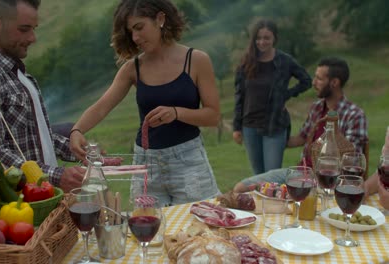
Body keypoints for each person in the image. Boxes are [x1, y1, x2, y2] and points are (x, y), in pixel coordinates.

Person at [70, 0, 221, 206]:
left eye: (139, 27)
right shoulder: (133, 69)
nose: (135, 37)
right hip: (146, 165)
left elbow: (213, 116)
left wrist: (176, 113)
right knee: (149, 233)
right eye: (130, 31)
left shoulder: (196, 60)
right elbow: (102, 106)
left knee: (199, 228)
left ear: (160, 19)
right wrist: (77, 130)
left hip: (189, 163)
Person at [0, 0, 84, 193]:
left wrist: (81, 152)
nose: (33, 38)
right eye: (24, 29)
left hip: (42, 198)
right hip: (16, 209)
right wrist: (57, 175)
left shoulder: (16, 73)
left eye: (33, 29)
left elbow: (36, 135)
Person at [234, 57, 368, 193]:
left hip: (329, 181)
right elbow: (301, 138)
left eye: (319, 79)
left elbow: (351, 161)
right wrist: (272, 132)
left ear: (334, 82)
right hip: (301, 173)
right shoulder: (317, 107)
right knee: (242, 188)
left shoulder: (354, 115)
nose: (314, 83)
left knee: (268, 196)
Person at [232, 19, 311, 175]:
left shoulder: (285, 61)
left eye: (266, 38)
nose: (262, 42)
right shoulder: (246, 61)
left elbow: (306, 80)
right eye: (258, 38)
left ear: (274, 38)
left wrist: (286, 94)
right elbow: (239, 96)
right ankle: (261, 200)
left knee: (272, 176)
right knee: (258, 175)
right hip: (249, 126)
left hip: (274, 125)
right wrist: (236, 127)